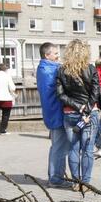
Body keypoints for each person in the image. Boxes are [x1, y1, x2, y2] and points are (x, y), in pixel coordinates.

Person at [56, 39, 101, 191]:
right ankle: (85, 183)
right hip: (90, 113)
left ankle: (76, 182)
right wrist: (86, 109)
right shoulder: (91, 68)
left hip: (70, 113)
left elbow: (61, 95)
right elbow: (95, 92)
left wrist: (77, 107)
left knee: (73, 149)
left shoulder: (62, 70)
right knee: (87, 149)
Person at [36, 43, 70, 187]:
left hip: (53, 112)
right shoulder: (49, 70)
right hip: (56, 112)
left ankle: (56, 175)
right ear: (46, 55)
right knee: (59, 147)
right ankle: (56, 178)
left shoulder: (45, 68)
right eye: (55, 53)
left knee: (58, 146)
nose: (58, 56)